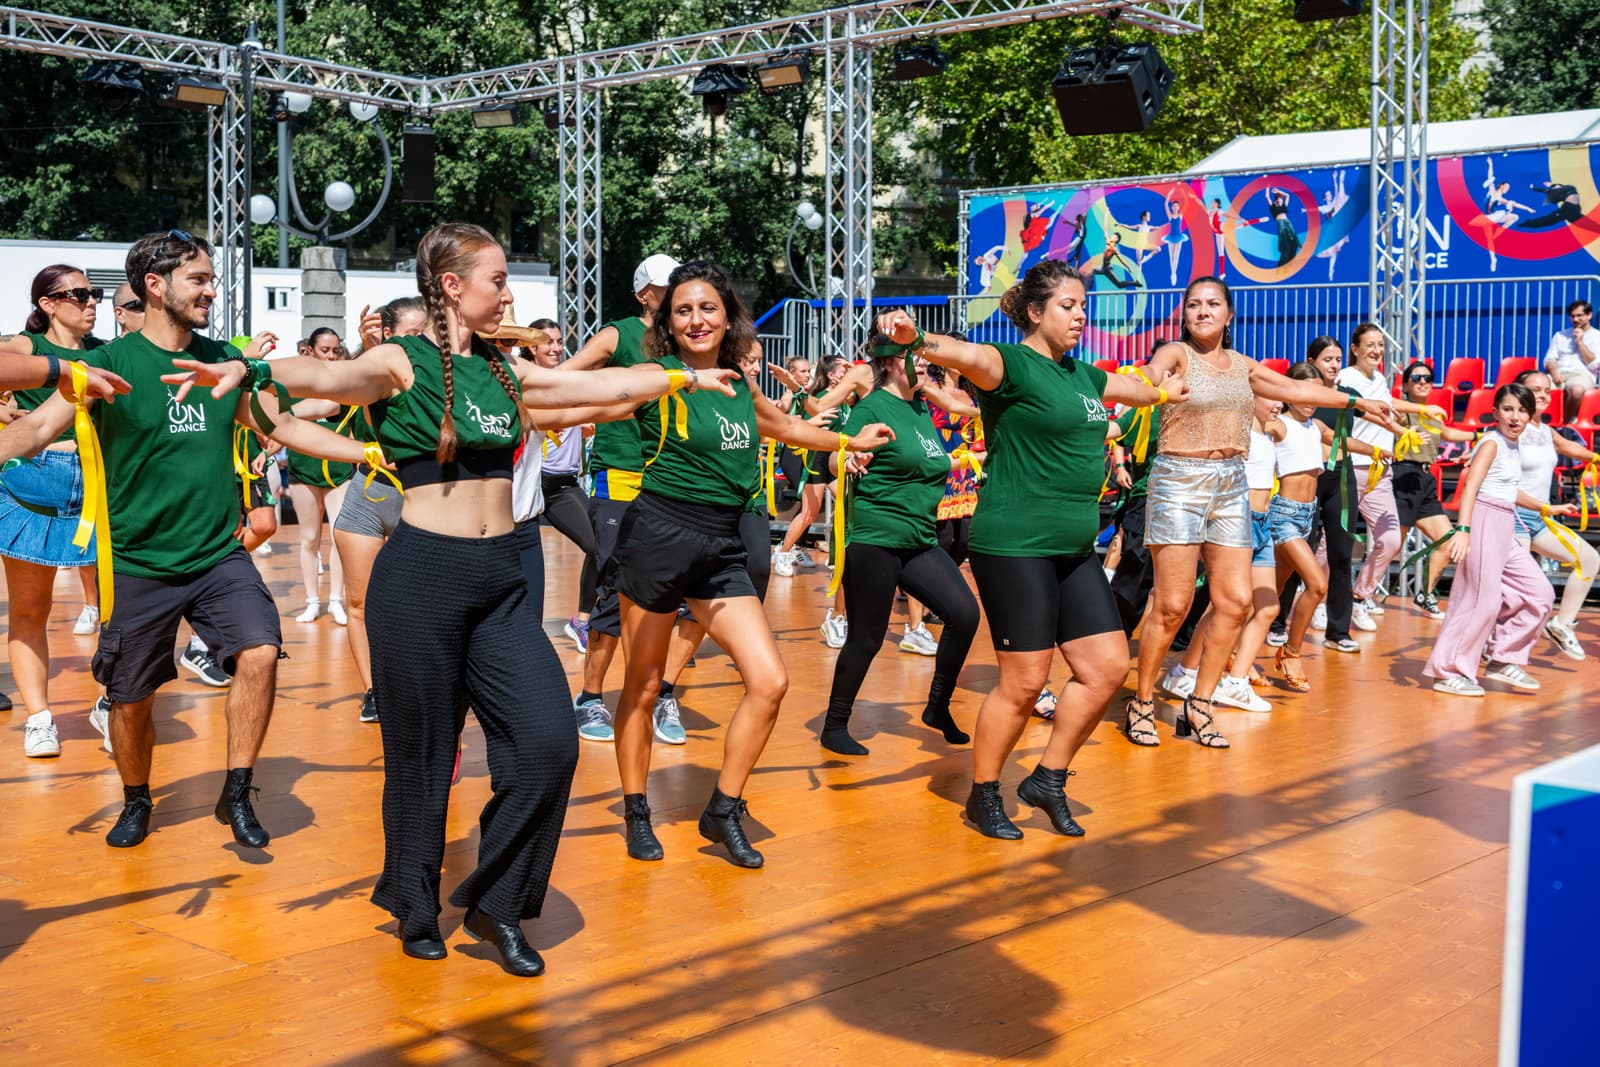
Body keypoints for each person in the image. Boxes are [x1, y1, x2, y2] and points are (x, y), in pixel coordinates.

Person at [181, 223, 731, 974]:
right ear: (451, 285)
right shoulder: (401, 361)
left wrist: (682, 380)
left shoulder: (504, 370)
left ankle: (497, 902)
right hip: (423, 576)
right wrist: (249, 366)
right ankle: (413, 902)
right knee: (423, 757)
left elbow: (600, 388)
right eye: (496, 279)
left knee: (547, 744)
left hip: (503, 576)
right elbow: (326, 378)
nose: (506, 294)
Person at [0, 230, 364, 848]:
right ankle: (136, 798)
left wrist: (371, 453)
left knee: (259, 650)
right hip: (136, 561)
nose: (210, 291)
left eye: (212, 279)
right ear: (155, 285)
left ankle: (237, 789)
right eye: (198, 279)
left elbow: (281, 425)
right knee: (130, 697)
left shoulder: (221, 361)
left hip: (216, 554)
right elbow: (34, 430)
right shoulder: (109, 365)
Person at [877, 259, 1182, 840]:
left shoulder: (1084, 377)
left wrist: (1164, 391)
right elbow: (964, 355)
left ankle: (1048, 778)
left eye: (1084, 307)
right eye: (1068, 306)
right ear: (1037, 312)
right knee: (1023, 682)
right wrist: (917, 339)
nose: (1080, 316)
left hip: (1073, 549)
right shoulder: (1009, 365)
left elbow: (1135, 390)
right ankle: (984, 794)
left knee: (1106, 668)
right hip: (1015, 546)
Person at [605, 260, 892, 869]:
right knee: (645, 685)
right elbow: (593, 397)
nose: (696, 319)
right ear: (667, 322)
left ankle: (723, 808)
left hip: (722, 544)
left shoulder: (740, 385)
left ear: (727, 316)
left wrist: (850, 441)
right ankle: (636, 809)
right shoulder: (659, 376)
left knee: (769, 681)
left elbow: (786, 427)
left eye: (707, 307)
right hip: (659, 537)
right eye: (683, 310)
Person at [1128, 278, 1393, 750]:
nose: (1202, 311)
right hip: (1180, 482)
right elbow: (1148, 374)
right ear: (1184, 313)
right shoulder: (1175, 354)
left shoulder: (1243, 366)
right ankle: (1142, 701)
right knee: (1172, 605)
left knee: (1235, 602)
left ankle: (1201, 703)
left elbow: (1295, 387)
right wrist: (1149, 384)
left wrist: (1357, 402)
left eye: (1213, 304)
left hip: (1231, 483)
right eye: (1194, 305)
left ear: (1229, 314)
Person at [818, 347, 982, 756]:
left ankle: (937, 707)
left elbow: (928, 462)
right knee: (867, 638)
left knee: (964, 614)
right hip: (875, 538)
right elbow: (836, 456)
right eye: (913, 356)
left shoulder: (920, 407)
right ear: (890, 362)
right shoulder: (873, 407)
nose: (923, 362)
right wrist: (847, 460)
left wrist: (972, 459)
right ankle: (835, 725)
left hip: (919, 539)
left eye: (924, 356)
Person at [562, 253, 680, 745]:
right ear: (644, 294)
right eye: (666, 286)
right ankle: (590, 697)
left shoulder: (685, 340)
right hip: (620, 472)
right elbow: (566, 376)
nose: (675, 293)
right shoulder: (619, 335)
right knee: (613, 585)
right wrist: (589, 409)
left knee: (672, 593)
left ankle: (660, 692)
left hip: (671, 478)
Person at [0, 266, 109, 755]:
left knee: (118, 610)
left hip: (100, 486)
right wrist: (6, 412)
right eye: (78, 294)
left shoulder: (106, 352)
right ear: (47, 304)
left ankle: (113, 704)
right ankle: (39, 718)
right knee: (29, 609)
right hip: (31, 486)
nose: (90, 302)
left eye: (94, 293)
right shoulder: (27, 346)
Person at [1423, 384, 1563, 696]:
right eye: (1508, 409)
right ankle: (1448, 671)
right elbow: (1471, 486)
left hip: (1505, 523)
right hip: (1484, 520)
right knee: (1480, 601)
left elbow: (1508, 488)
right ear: (1495, 412)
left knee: (1540, 593)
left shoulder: (1513, 444)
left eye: (1522, 411)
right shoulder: (1491, 443)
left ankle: (1503, 658)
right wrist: (1463, 530)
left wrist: (1544, 507)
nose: (1515, 417)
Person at [1259, 365, 1386, 691]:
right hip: (1283, 517)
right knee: (1316, 585)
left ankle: (1236, 655)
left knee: (1269, 594)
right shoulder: (1278, 424)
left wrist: (1378, 451)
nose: (1312, 399)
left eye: (1317, 393)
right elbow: (1253, 428)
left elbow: (1341, 440)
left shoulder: (1314, 426)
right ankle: (1292, 653)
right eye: (1306, 391)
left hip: (1306, 517)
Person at [335, 296, 427, 723]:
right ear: (390, 335)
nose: (419, 342)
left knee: (419, 604)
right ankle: (374, 690)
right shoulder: (368, 371)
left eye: (424, 334)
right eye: (411, 334)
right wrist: (368, 349)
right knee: (359, 602)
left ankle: (417, 685)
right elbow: (331, 388)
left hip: (420, 498)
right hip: (368, 495)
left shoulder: (435, 376)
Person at [1507, 370, 1599, 660]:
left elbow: (1566, 446)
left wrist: (1596, 457)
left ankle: (1561, 625)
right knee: (1521, 590)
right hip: (1514, 517)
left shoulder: (1545, 431)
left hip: (1539, 519)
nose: (1544, 395)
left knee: (1589, 560)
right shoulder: (1513, 429)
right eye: (1536, 390)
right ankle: (1497, 647)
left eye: (1547, 390)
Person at [1391, 362, 1476, 619]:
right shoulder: (1403, 411)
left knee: (1447, 541)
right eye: (1416, 378)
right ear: (1406, 385)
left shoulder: (1433, 414)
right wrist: (1418, 409)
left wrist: (1480, 435)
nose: (1422, 382)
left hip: (1426, 479)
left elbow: (1448, 433)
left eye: (1427, 378)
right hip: (1404, 475)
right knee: (1392, 545)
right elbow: (1387, 406)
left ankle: (1424, 595)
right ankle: (1360, 595)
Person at [283, 327, 354, 625]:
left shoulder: (343, 382)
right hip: (304, 469)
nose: (331, 355)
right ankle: (312, 602)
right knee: (309, 538)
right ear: (310, 350)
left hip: (339, 470)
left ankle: (336, 600)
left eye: (336, 350)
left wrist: (288, 414)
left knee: (339, 535)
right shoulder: (295, 382)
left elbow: (331, 405)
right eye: (325, 350)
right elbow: (277, 418)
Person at [1542, 300, 1600, 414]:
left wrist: (1580, 342)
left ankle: (1566, 422)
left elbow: (1594, 365)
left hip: (1582, 375)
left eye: (1579, 315)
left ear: (1589, 315)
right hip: (1558, 374)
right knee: (1532, 387)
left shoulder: (1597, 336)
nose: (1575, 319)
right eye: (1572, 316)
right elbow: (1549, 360)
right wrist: (1554, 373)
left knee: (1577, 391)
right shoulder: (1560, 335)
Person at [1164, 193, 1188, 287]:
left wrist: (1183, 193)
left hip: (1179, 236)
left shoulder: (1180, 215)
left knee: (1176, 256)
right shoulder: (1170, 215)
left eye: (1176, 206)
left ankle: (1174, 274)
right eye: (1173, 206)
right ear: (1172, 207)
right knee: (1171, 256)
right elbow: (1166, 205)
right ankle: (1172, 273)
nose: (1175, 207)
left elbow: (1186, 203)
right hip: (1171, 236)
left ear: (1178, 207)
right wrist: (1169, 194)